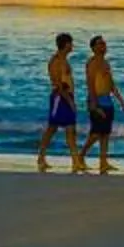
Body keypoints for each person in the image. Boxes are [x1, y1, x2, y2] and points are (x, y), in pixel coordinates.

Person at [35, 33, 83, 173]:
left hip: (67, 96)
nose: (72, 46)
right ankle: (41, 157)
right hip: (60, 97)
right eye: (71, 43)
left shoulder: (64, 60)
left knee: (70, 129)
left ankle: (75, 161)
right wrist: (69, 101)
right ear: (65, 44)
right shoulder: (55, 61)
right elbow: (58, 84)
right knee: (53, 128)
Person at [83, 36, 121, 175]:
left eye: (104, 43)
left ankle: (103, 162)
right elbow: (90, 84)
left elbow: (111, 83)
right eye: (100, 44)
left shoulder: (105, 63)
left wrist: (119, 98)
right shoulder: (92, 63)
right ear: (93, 47)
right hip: (97, 100)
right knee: (96, 133)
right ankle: (81, 155)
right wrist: (94, 104)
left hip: (107, 100)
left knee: (105, 134)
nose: (103, 46)